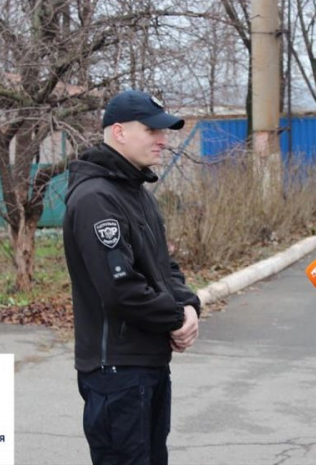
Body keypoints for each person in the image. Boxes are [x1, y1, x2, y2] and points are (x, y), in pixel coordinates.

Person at [63, 89, 201, 465]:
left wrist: (189, 306)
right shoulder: (96, 198)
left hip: (147, 366)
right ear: (119, 132)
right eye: (152, 130)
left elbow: (162, 267)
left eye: (165, 131)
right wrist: (174, 319)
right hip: (117, 373)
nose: (163, 140)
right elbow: (120, 288)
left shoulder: (137, 193)